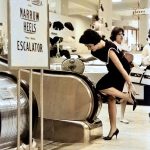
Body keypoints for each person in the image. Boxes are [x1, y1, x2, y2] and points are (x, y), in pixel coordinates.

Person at [79, 29, 136, 140]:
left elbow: (121, 67)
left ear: (95, 42)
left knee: (100, 86)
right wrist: (86, 59)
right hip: (113, 71)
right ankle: (113, 129)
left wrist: (129, 82)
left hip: (121, 70)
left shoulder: (109, 50)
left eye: (89, 46)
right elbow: (96, 54)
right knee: (111, 98)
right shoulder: (95, 48)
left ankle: (127, 97)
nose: (88, 48)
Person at [110, 27, 130, 124]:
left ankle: (122, 116)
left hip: (125, 74)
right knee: (113, 96)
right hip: (116, 74)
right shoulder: (112, 45)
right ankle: (114, 116)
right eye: (119, 34)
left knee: (125, 94)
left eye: (122, 34)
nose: (121, 36)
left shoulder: (124, 45)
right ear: (114, 35)